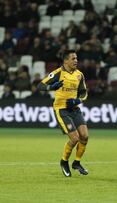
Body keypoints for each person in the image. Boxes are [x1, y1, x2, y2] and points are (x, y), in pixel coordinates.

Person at [37, 49, 89, 177]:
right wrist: (51, 87)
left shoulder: (79, 75)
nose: (76, 61)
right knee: (75, 138)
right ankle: (64, 161)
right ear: (65, 60)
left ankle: (76, 162)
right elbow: (40, 85)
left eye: (76, 58)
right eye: (73, 58)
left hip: (75, 109)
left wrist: (78, 100)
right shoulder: (58, 73)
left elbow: (83, 93)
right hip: (61, 109)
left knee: (84, 136)